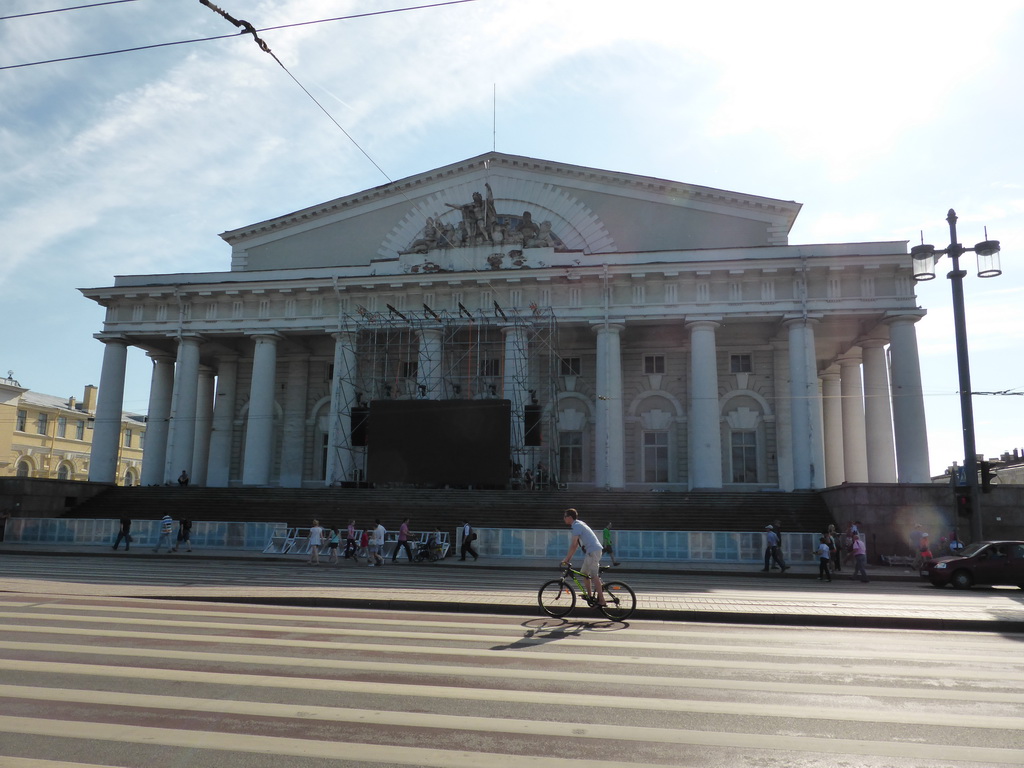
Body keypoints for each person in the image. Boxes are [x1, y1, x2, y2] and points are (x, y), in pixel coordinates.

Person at [560, 508, 606, 607]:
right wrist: (569, 557)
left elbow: (573, 544)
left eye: (565, 516)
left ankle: (602, 600)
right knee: (584, 573)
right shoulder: (578, 524)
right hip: (592, 551)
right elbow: (576, 544)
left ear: (569, 517)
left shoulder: (577, 526)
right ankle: (590, 596)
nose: (563, 518)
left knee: (594, 575)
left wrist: (567, 559)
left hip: (593, 551)